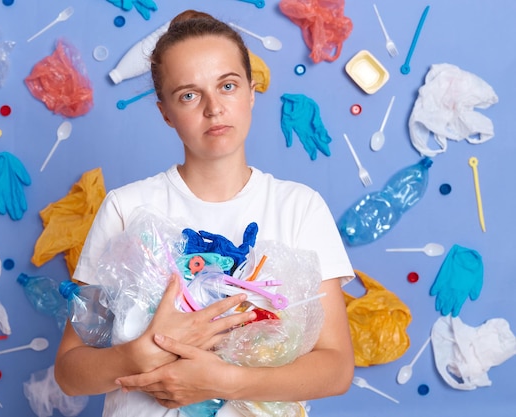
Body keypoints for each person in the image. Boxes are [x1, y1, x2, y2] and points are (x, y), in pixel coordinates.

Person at [55, 9, 355, 416]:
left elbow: (336, 369)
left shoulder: (300, 208)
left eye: (227, 86)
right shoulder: (128, 208)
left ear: (252, 92)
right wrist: (137, 355)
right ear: (165, 112)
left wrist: (224, 381)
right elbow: (70, 373)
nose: (214, 108)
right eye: (189, 95)